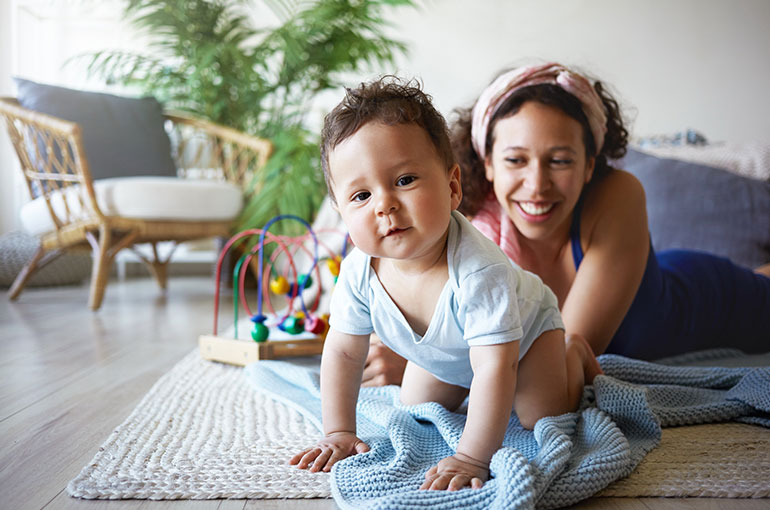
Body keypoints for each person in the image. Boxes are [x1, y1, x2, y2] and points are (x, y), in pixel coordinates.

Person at [361, 62, 770, 383]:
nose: (537, 185)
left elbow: (555, 360)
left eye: (559, 161)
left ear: (590, 164)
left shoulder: (619, 194)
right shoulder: (462, 227)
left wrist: (429, 362)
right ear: (487, 163)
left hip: (704, 297)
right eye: (515, 160)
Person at [289, 76, 602, 491]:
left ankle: (571, 354)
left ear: (453, 187)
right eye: (361, 196)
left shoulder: (478, 271)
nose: (385, 204)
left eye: (404, 180)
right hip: (453, 352)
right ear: (341, 212)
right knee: (414, 405)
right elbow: (344, 352)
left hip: (526, 339)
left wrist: (471, 456)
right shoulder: (357, 271)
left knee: (538, 414)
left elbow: (496, 365)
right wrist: (339, 432)